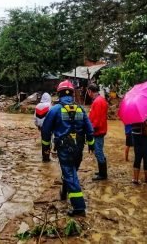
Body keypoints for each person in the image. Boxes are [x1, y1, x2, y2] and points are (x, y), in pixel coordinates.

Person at [41, 80, 95, 217]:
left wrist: (46, 148)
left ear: (59, 94)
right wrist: (92, 144)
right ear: (72, 94)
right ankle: (64, 193)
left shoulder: (54, 110)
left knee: (70, 174)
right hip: (79, 148)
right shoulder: (80, 109)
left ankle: (79, 207)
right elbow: (89, 128)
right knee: (71, 171)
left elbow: (45, 131)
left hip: (64, 149)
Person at [87, 84, 109, 181]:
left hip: (98, 131)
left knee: (98, 151)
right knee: (99, 151)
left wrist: (90, 130)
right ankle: (102, 172)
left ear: (90, 91)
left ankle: (103, 174)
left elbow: (96, 120)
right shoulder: (100, 100)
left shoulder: (97, 102)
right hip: (100, 129)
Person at [131, 114, 147, 185]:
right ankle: (146, 179)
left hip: (135, 136)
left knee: (137, 157)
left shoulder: (131, 113)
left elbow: (130, 124)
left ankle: (135, 179)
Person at [34, 92, 52, 162]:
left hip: (41, 127)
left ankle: (44, 157)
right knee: (49, 142)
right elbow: (52, 117)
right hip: (49, 127)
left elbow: (35, 118)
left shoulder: (37, 106)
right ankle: (47, 158)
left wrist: (38, 125)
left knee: (44, 142)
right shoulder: (50, 106)